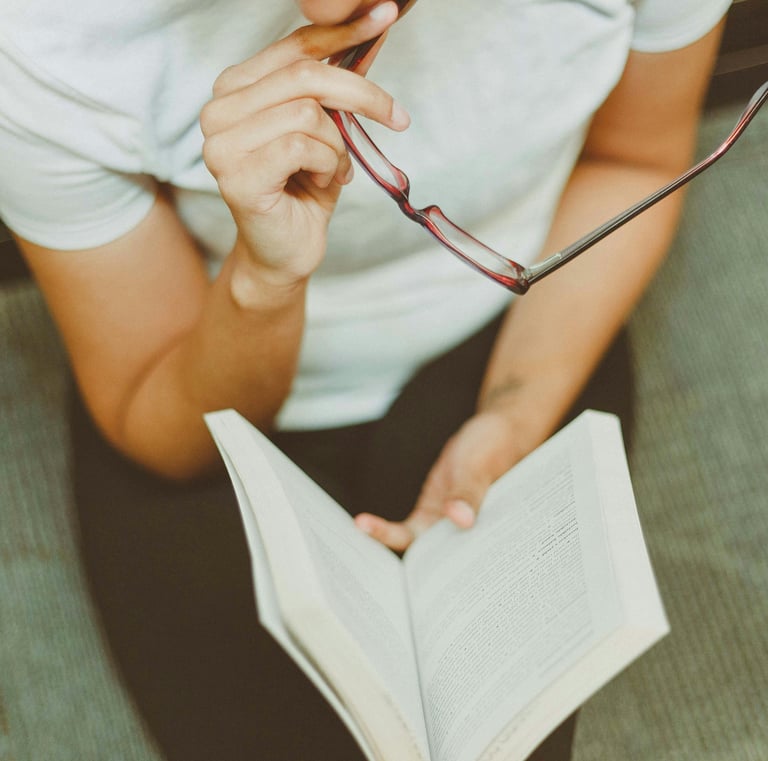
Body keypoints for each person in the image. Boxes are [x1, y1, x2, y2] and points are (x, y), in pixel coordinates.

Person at [0, 0, 730, 759]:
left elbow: (636, 159)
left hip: (521, 325)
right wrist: (264, 278)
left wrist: (517, 411)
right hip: (204, 358)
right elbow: (159, 419)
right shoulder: (44, 38)